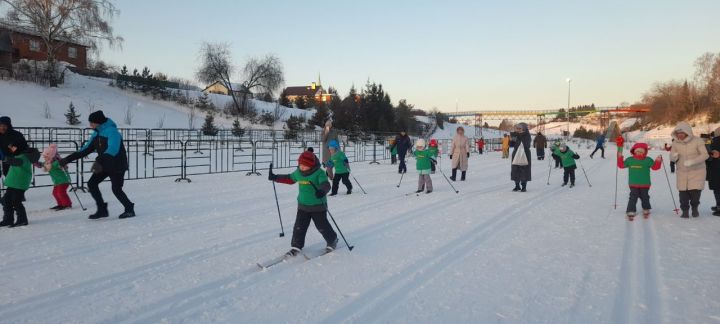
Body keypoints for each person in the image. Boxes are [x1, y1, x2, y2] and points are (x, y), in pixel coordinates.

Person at [60, 111, 135, 219]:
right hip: (104, 164)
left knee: (116, 189)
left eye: (92, 123)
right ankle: (102, 210)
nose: (90, 125)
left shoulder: (112, 132)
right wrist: (66, 159)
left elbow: (112, 149)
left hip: (117, 164)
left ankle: (129, 209)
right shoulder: (96, 133)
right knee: (92, 184)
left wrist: (99, 161)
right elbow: (85, 150)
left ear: (98, 122)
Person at [268, 151, 338, 256]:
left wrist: (322, 191)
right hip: (303, 206)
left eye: (305, 166)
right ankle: (296, 245)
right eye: (300, 165)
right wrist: (275, 177)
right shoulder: (298, 172)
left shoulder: (319, 173)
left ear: (311, 165)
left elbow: (326, 184)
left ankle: (333, 240)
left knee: (322, 226)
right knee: (299, 226)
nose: (302, 167)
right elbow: (290, 178)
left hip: (318, 206)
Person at [669, 122, 709, 218]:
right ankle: (685, 211)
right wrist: (674, 157)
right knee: (683, 195)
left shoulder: (698, 141)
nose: (680, 135)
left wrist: (692, 161)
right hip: (682, 172)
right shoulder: (675, 143)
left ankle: (695, 208)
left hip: (697, 172)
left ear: (687, 132)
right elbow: (672, 157)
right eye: (678, 133)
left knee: (695, 194)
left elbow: (705, 155)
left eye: (682, 133)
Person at [617, 143, 663, 221]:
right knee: (633, 197)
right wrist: (620, 156)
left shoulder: (648, 160)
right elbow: (621, 165)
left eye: (641, 151)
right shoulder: (630, 160)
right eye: (637, 151)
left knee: (645, 197)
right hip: (633, 183)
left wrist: (658, 161)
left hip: (645, 183)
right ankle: (631, 210)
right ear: (634, 151)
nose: (639, 153)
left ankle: (646, 208)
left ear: (645, 152)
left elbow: (655, 167)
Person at [1, 141, 39, 227]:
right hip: (13, 183)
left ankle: (22, 220)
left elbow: (16, 162)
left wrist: (5, 158)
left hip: (19, 184)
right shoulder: (19, 155)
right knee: (6, 200)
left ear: (19, 148)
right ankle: (8, 219)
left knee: (16, 201)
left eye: (13, 148)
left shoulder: (23, 157)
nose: (12, 150)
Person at [39, 144, 72, 210]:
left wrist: (63, 165)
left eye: (46, 157)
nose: (45, 158)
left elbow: (63, 164)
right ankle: (60, 204)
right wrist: (35, 162)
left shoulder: (56, 163)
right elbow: (42, 166)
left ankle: (67, 204)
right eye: (44, 157)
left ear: (51, 157)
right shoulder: (47, 163)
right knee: (55, 193)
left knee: (61, 193)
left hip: (63, 181)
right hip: (57, 181)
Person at [510, 123, 532, 192]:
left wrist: (518, 137)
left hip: (525, 154)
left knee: (524, 170)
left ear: (524, 129)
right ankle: (517, 185)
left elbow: (526, 145)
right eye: (517, 128)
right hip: (516, 153)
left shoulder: (527, 135)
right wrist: (511, 139)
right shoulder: (515, 135)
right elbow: (511, 145)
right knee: (515, 169)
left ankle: (524, 186)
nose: (518, 130)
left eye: (520, 128)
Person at [706, 127, 720, 216]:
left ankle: (719, 206)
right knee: (717, 188)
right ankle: (718, 205)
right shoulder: (713, 141)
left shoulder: (714, 141)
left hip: (715, 168)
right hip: (715, 168)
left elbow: (709, 154)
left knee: (717, 188)